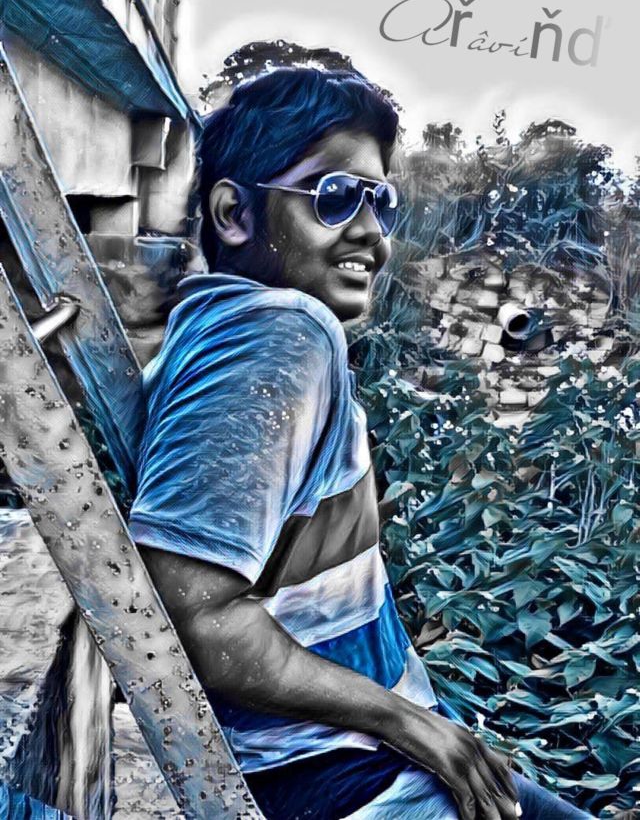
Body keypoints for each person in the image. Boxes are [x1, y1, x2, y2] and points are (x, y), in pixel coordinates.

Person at [128, 63, 592, 819]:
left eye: (382, 202)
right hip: (334, 776)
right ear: (234, 213)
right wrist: (409, 723)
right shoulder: (282, 330)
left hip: (349, 760)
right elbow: (198, 617)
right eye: (335, 196)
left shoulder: (210, 326)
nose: (373, 233)